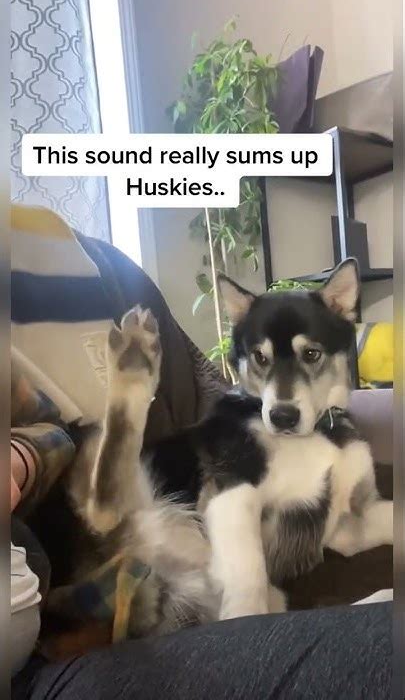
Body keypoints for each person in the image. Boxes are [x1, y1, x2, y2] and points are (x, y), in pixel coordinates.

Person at [11, 204, 392, 699]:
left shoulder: (340, 442)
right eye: (261, 361)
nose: (283, 391)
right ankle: (122, 436)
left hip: (169, 571)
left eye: (310, 357)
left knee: (249, 592)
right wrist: (247, 607)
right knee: (138, 526)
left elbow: (353, 529)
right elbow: (230, 502)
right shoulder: (243, 427)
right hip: (120, 547)